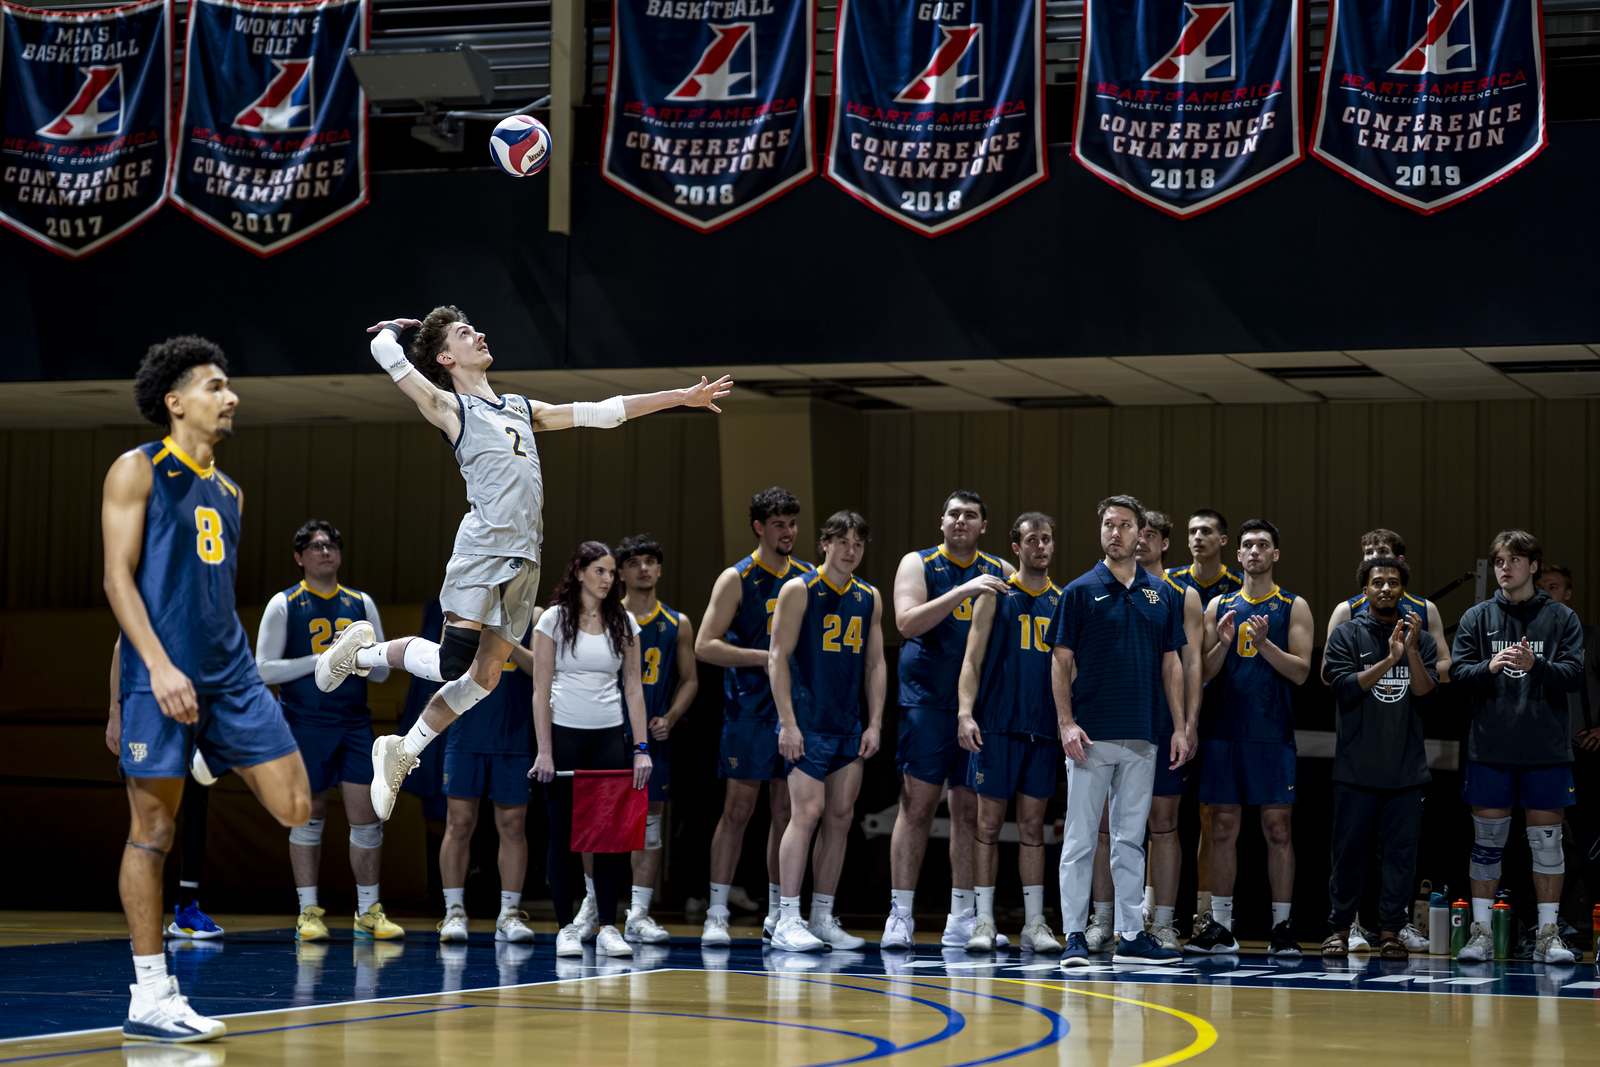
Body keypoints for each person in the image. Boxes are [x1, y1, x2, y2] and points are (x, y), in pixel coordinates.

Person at [326, 311, 728, 823]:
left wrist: (679, 397)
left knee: (486, 677)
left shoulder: (517, 406)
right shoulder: (450, 406)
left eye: (476, 327)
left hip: (526, 556)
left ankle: (403, 749)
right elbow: (391, 360)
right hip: (482, 548)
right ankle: (366, 650)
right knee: (453, 663)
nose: (481, 334)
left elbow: (599, 412)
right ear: (446, 358)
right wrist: (389, 332)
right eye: (465, 333)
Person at [103, 337, 312, 1042]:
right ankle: (151, 993)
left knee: (295, 806)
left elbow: (202, 595)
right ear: (176, 401)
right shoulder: (136, 470)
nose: (232, 397)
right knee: (154, 831)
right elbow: (120, 583)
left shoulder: (231, 490)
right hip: (159, 677)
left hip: (231, 676)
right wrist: (148, 677)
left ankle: (205, 754)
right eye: (217, 386)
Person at [1051, 496, 1187, 967]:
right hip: (1090, 736)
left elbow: (1173, 665)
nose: (1116, 532)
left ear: (1142, 534)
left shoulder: (1162, 594)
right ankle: (1073, 934)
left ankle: (1131, 935)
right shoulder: (1079, 590)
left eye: (1125, 525)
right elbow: (1060, 660)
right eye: (1108, 524)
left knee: (1131, 839)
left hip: (1144, 734)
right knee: (1081, 839)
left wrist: (1180, 727)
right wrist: (1066, 723)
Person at [254, 520, 402, 942]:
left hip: (354, 724)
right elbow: (264, 669)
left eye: (332, 544)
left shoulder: (360, 602)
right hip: (303, 726)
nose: (325, 551)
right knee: (308, 818)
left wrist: (358, 658)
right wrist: (327, 658)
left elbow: (379, 677)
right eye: (316, 546)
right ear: (299, 556)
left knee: (368, 819)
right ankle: (307, 913)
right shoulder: (284, 604)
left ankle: (368, 910)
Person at [882, 490, 1015, 951]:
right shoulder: (918, 563)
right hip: (927, 704)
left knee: (968, 812)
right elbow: (906, 623)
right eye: (954, 514)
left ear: (983, 526)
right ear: (941, 522)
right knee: (916, 807)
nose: (961, 521)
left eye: (971, 515)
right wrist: (963, 590)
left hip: (980, 708)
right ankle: (900, 914)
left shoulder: (1004, 572)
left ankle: (962, 916)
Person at [1451, 530, 1586, 965]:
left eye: (1513, 560)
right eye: (1498, 561)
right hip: (1490, 749)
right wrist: (1489, 666)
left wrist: (1536, 664)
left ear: (1533, 566)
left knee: (1547, 844)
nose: (1504, 568)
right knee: (1487, 843)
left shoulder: (1562, 618)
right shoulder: (1477, 617)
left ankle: (1549, 934)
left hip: (1545, 750)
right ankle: (1481, 933)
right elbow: (1458, 673)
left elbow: (1573, 676)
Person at [1188, 519, 1313, 957]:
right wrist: (1223, 643)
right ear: (1237, 555)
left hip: (1272, 734)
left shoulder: (1293, 605)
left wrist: (1264, 646)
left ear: (1275, 554)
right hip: (1224, 732)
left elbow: (1301, 672)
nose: (1254, 551)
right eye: (1247, 545)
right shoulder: (1218, 605)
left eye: (1262, 544)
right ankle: (1221, 927)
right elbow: (1201, 672)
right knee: (1222, 828)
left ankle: (1282, 928)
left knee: (1278, 829)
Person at [694, 488, 813, 946]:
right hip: (747, 711)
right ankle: (717, 911)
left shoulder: (806, 577)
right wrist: (764, 657)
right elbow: (705, 644)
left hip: (792, 710)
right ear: (759, 527)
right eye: (780, 524)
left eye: (793, 524)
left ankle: (780, 913)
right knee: (738, 810)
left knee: (786, 812)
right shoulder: (737, 577)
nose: (789, 532)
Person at [1085, 509, 1203, 953]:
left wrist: (1186, 725)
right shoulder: (1100, 587)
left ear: (1163, 543)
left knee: (1163, 822)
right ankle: (1102, 918)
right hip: (1112, 716)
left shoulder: (1179, 595)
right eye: (1134, 532)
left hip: (1160, 719)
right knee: (1103, 824)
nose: (1138, 541)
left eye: (1149, 534)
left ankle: (1165, 922)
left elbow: (1191, 664)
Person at [767, 511, 885, 951]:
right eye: (843, 542)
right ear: (825, 544)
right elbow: (777, 657)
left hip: (848, 726)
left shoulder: (869, 596)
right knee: (807, 813)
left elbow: (875, 663)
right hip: (807, 723)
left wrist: (874, 722)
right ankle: (785, 918)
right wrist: (788, 722)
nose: (851, 550)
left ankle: (820, 917)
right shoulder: (799, 590)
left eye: (858, 543)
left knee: (840, 818)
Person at [531, 541, 651, 959]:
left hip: (607, 740)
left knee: (609, 840)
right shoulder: (553, 620)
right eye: (600, 571)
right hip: (564, 738)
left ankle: (607, 926)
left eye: (611, 572)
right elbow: (539, 689)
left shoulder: (624, 623)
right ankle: (565, 927)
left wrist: (641, 749)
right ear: (579, 572)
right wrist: (544, 752)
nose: (608, 579)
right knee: (562, 837)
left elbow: (633, 689)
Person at [955, 512, 1064, 954]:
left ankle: (1035, 923)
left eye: (1047, 538)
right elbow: (971, 662)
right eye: (1032, 540)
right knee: (987, 823)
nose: (1041, 546)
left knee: (1034, 827)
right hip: (996, 726)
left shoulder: (1064, 599)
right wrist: (965, 713)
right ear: (1016, 548)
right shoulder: (993, 595)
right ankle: (983, 920)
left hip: (1042, 730)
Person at [1321, 557, 1439, 959]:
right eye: (1377, 583)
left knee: (1400, 858)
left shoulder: (1419, 637)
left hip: (1406, 770)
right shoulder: (1346, 634)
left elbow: (1425, 693)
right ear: (1365, 591)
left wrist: (1410, 652)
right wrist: (1389, 660)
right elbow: (1343, 687)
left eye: (1393, 582)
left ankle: (1391, 931)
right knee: (1348, 855)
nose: (1386, 588)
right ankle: (1339, 928)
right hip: (1355, 768)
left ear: (1403, 589)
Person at [108, 641, 223, 942]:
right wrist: (115, 714)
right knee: (150, 821)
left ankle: (187, 912)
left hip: (193, 710)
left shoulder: (202, 602)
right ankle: (146, 914)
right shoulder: (143, 600)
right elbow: (122, 650)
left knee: (196, 807)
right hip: (147, 712)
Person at [616, 534, 699, 943]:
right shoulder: (604, 617)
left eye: (650, 561)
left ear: (660, 569)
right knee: (602, 825)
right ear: (620, 572)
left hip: (652, 739)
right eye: (634, 562)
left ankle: (639, 913)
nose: (644, 568)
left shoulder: (677, 622)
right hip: (609, 736)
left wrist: (671, 715)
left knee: (649, 828)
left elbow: (691, 679)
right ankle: (593, 908)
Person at [436, 617, 536, 945]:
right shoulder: (461, 613)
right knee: (459, 825)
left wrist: (503, 637)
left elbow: (540, 669)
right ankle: (453, 911)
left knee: (513, 826)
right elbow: (445, 666)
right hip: (466, 733)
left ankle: (508, 914)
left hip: (514, 735)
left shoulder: (531, 615)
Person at [1164, 507, 1241, 929]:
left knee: (1212, 815)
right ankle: (1155, 909)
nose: (1197, 538)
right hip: (1174, 708)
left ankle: (1205, 910)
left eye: (1206, 531)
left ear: (1222, 540)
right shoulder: (1171, 583)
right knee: (1163, 811)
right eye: (1192, 531)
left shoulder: (1238, 585)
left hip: (1223, 711)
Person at [1322, 528, 1451, 683]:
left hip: (1411, 702)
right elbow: (1327, 675)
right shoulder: (1345, 610)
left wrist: (1400, 676)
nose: (1374, 557)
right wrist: (1385, 671)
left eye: (1382, 551)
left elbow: (1447, 668)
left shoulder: (1426, 608)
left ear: (1400, 560)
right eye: (1369, 552)